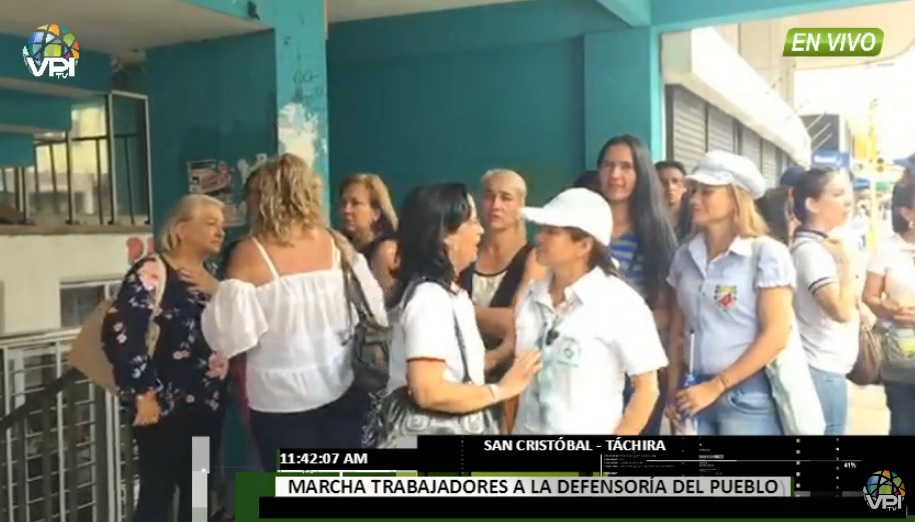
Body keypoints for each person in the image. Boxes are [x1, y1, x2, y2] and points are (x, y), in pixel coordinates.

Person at [201, 153, 387, 469]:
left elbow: (230, 338)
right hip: (341, 387)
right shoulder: (335, 242)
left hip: (279, 402)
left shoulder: (249, 253)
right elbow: (376, 309)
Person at [102, 194, 228, 522]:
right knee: (157, 496)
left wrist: (218, 290)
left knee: (199, 496)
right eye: (211, 223)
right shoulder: (153, 271)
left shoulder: (213, 274)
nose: (221, 231)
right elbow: (121, 331)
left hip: (206, 408)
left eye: (222, 225)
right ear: (183, 228)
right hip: (162, 411)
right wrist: (144, 392)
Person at [386, 183, 541, 447]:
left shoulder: (449, 294)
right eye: (473, 222)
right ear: (447, 235)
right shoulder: (430, 299)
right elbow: (427, 390)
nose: (481, 230)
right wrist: (500, 390)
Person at [507, 188, 668, 434]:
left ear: (583, 245)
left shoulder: (621, 303)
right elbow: (517, 375)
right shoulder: (532, 294)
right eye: (542, 229)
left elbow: (647, 389)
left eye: (552, 232)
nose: (539, 237)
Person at [666, 151, 795, 436]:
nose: (695, 199)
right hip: (692, 393)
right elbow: (679, 330)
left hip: (746, 396)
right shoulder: (685, 255)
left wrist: (718, 386)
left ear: (737, 198)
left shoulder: (766, 254)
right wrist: (673, 389)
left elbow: (776, 334)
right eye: (695, 191)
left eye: (707, 192)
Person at [596, 135, 678, 435]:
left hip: (636, 372)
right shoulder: (582, 228)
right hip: (583, 366)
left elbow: (667, 311)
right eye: (608, 165)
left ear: (641, 174)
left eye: (626, 167)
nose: (615, 175)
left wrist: (618, 328)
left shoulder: (657, 236)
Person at [789, 168, 859, 435]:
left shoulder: (826, 245)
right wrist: (848, 263)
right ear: (811, 203)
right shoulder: (811, 252)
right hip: (820, 366)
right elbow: (841, 310)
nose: (848, 202)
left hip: (827, 366)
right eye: (838, 194)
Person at [459, 169, 544, 383]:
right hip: (459, 371)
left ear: (520, 206)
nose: (496, 205)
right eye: (489, 196)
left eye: (506, 198)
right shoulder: (467, 250)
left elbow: (517, 321)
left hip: (507, 378)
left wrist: (458, 309)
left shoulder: (534, 258)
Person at [862, 182, 915, 435]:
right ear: (906, 212)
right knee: (904, 424)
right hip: (900, 351)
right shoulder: (887, 248)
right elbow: (869, 296)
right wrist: (888, 308)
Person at [338, 173, 399, 293]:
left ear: (375, 213)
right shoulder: (340, 244)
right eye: (343, 203)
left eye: (355, 204)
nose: (346, 210)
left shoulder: (385, 251)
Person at [655, 160, 689, 226]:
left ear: (685, 186)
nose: (670, 187)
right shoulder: (645, 217)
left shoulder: (695, 219)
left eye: (675, 181)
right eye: (663, 182)